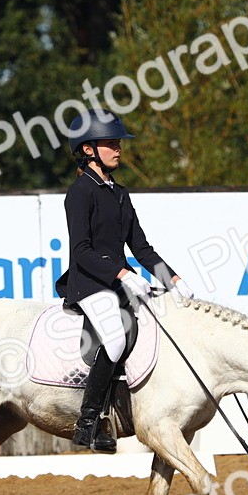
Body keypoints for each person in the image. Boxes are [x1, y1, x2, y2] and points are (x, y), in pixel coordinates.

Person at [54, 109, 194, 453]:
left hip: (117, 282)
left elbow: (141, 248)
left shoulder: (120, 193)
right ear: (89, 149)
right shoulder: (80, 192)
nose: (118, 148)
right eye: (111, 143)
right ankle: (88, 422)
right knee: (115, 339)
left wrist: (172, 279)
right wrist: (122, 274)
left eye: (118, 143)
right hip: (88, 282)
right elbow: (81, 251)